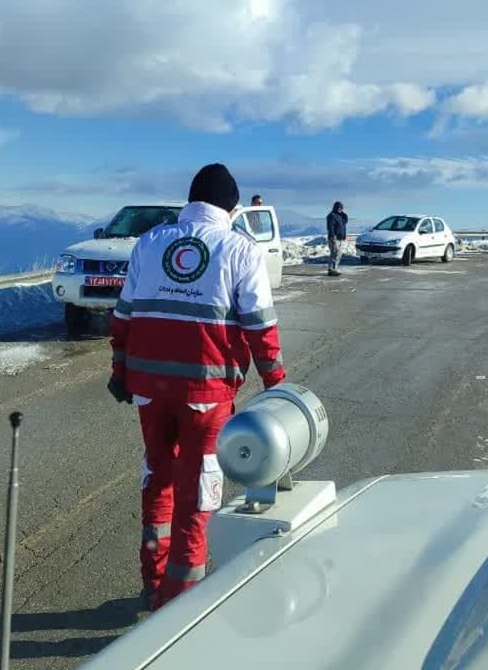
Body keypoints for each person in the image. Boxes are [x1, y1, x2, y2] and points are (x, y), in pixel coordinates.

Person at [108, 163, 286, 610]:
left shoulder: (150, 243)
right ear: (230, 206)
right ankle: (182, 602)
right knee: (198, 491)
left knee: (158, 481)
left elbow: (124, 314)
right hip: (205, 395)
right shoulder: (241, 250)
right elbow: (260, 327)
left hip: (148, 388)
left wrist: (120, 369)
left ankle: (153, 585)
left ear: (191, 201)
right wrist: (276, 386)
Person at [326, 201, 348, 276]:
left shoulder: (341, 216)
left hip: (341, 238)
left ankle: (334, 268)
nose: (340, 209)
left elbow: (344, 223)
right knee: (334, 253)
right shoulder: (331, 215)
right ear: (335, 207)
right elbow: (330, 227)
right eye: (338, 207)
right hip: (334, 238)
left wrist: (343, 214)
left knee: (339, 254)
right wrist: (332, 236)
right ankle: (331, 269)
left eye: (341, 208)